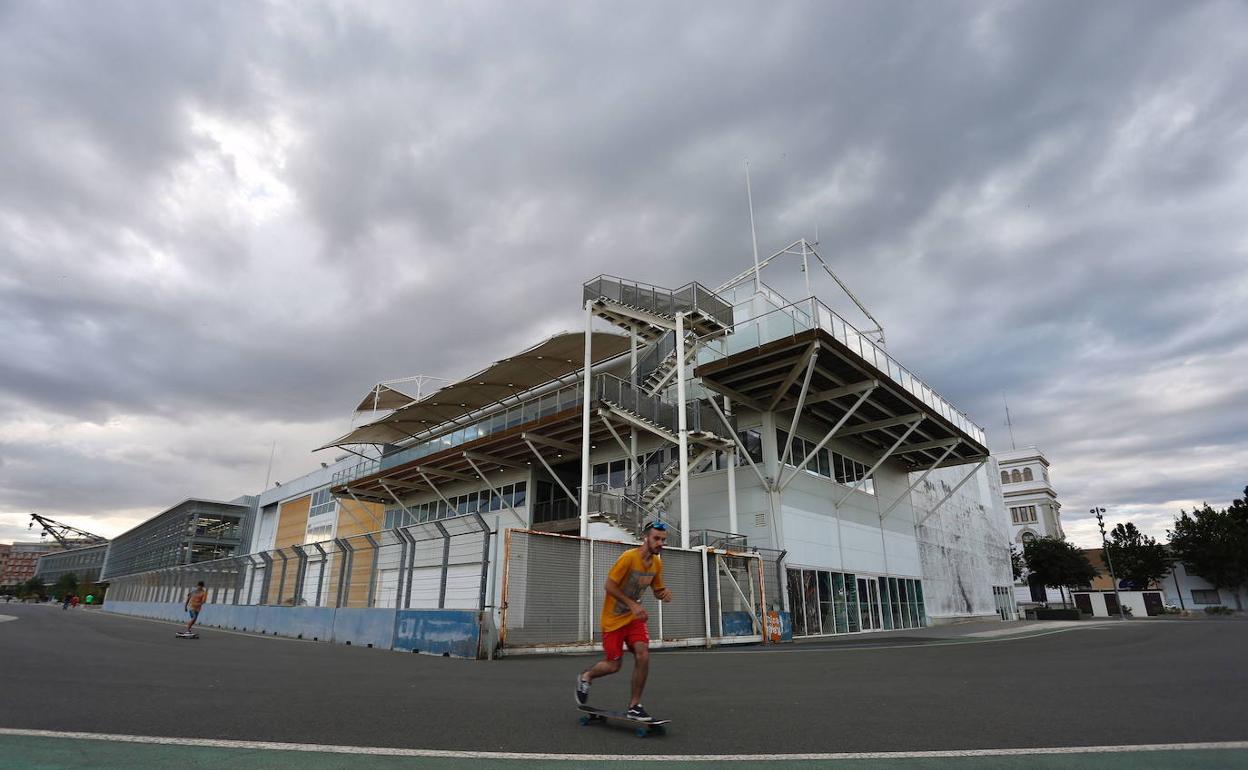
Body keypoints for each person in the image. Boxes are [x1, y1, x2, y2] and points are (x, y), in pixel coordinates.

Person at [575, 521, 672, 721]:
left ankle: (635, 705)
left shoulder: (657, 563)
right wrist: (633, 604)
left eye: (663, 540)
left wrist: (663, 593)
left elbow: (657, 589)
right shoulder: (628, 558)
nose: (660, 543)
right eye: (656, 538)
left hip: (634, 620)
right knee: (613, 665)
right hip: (613, 619)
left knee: (643, 655)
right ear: (646, 538)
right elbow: (609, 585)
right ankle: (587, 676)